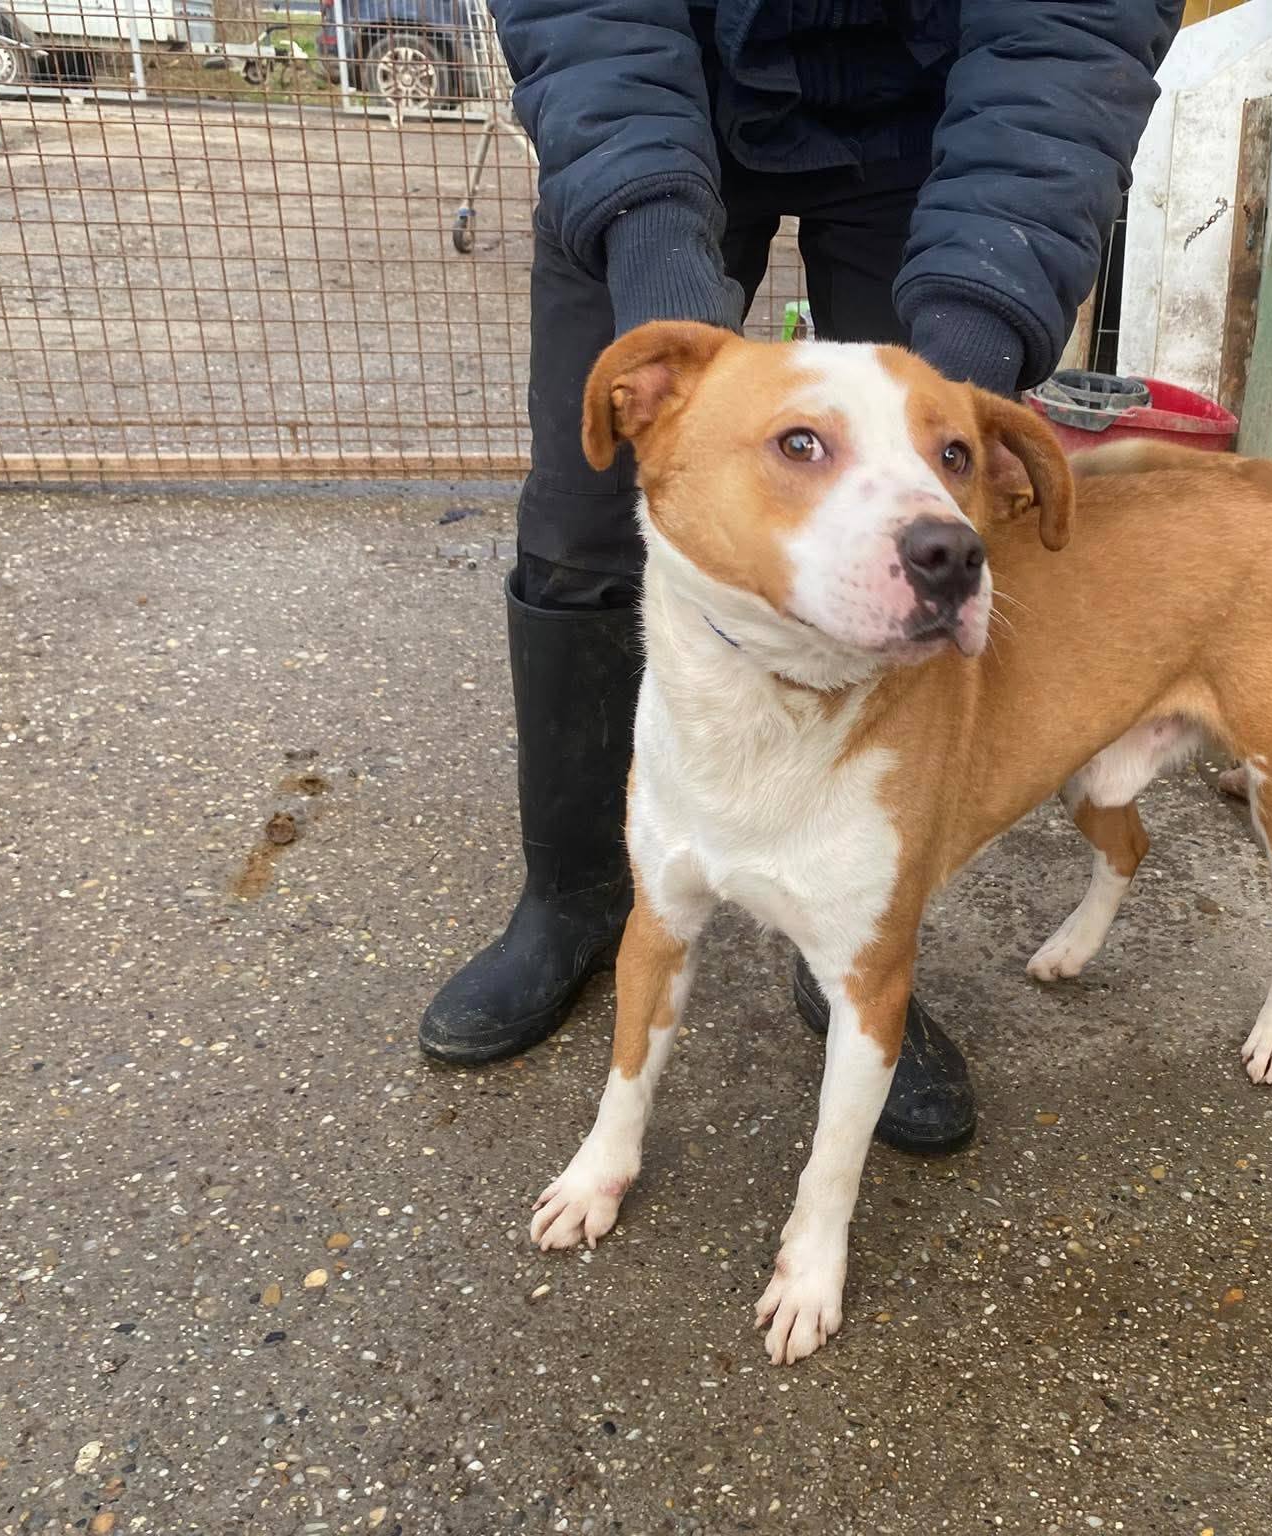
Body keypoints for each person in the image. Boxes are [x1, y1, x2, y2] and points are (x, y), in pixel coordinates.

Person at [421, 0, 1183, 1153]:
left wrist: (962, 376)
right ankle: (575, 896)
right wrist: (647, 245)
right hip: (652, 90)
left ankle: (854, 938)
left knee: (900, 562)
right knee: (582, 524)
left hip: (934, 116)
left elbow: (1070, 34)